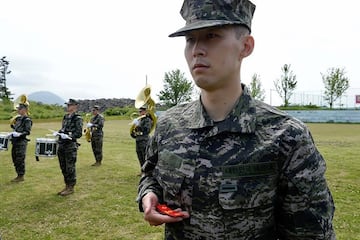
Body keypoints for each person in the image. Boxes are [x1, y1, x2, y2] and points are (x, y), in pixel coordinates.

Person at [137, 0, 336, 239]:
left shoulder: (286, 136)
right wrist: (149, 195)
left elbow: (311, 233)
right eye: (190, 39)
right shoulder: (169, 126)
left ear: (245, 46)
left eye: (211, 35)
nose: (197, 49)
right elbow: (149, 175)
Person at [55, 99, 83, 196]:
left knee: (70, 167)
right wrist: (59, 133)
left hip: (70, 146)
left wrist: (69, 136)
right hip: (62, 144)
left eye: (70, 105)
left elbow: (78, 133)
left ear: (75, 106)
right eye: (67, 105)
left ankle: (71, 187)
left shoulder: (77, 118)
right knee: (63, 166)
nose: (68, 107)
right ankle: (67, 185)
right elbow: (63, 129)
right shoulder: (66, 116)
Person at [9, 103, 32, 182]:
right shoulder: (18, 119)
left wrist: (19, 134)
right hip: (15, 141)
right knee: (14, 158)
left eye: (19, 109)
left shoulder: (27, 120)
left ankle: (21, 176)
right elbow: (16, 128)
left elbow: (27, 132)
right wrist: (13, 127)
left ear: (24, 110)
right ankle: (18, 174)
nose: (18, 110)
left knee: (20, 159)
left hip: (21, 142)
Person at [130, 106, 153, 171]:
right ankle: (142, 170)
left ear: (145, 112)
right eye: (139, 111)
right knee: (139, 155)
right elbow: (135, 131)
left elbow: (147, 130)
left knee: (145, 156)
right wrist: (133, 133)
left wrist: (138, 126)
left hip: (144, 140)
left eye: (142, 111)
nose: (140, 113)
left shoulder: (147, 120)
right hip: (138, 140)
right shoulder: (139, 120)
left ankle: (147, 172)